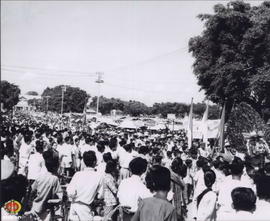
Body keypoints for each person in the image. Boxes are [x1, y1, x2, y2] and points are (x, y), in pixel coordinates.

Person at [67, 150, 103, 221]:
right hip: (85, 207)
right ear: (94, 162)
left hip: (74, 206)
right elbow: (100, 195)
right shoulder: (99, 176)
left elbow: (70, 192)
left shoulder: (77, 174)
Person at [30, 151, 63, 220]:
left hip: (35, 207)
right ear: (55, 167)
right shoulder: (54, 179)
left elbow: (32, 190)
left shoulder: (40, 176)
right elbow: (59, 196)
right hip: (46, 209)